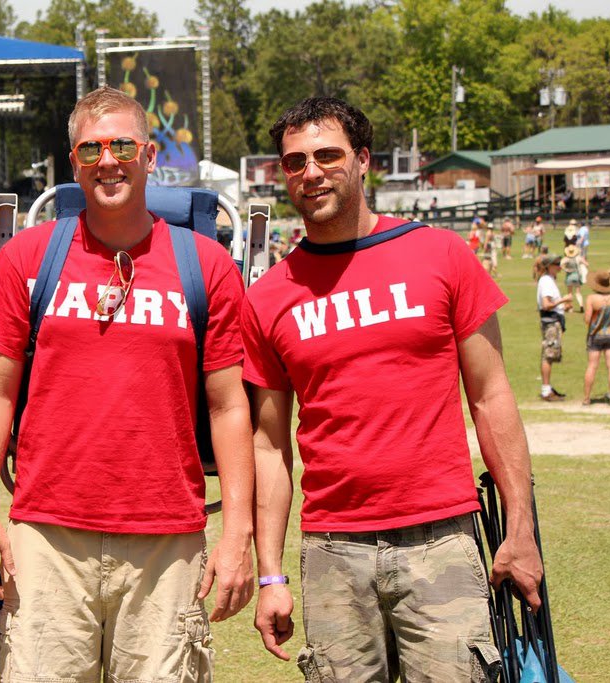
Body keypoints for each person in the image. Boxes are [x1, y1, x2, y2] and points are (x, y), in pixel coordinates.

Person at [0, 86, 254, 682]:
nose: (108, 161)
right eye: (91, 150)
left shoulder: (206, 265)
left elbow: (229, 407)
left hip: (166, 542)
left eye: (122, 146)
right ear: (74, 163)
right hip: (47, 536)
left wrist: (238, 533)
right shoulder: (28, 257)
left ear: (149, 156)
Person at [245, 97, 543, 680]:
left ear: (363, 160)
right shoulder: (268, 296)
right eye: (295, 161)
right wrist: (270, 575)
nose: (311, 172)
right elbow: (269, 446)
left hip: (442, 539)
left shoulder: (442, 255)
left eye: (328, 156)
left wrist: (521, 529)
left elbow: (491, 398)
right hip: (332, 549)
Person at [537, 253, 573, 401]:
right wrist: (563, 300)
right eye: (556, 264)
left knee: (550, 355)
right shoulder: (546, 281)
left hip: (553, 321)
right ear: (549, 266)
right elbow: (546, 305)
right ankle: (546, 390)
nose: (559, 266)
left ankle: (547, 388)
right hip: (551, 322)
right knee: (548, 356)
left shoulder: (549, 279)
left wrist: (563, 306)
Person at [583, 265, 610, 405]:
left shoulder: (591, 298)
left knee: (592, 366)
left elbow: (587, 319)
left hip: (595, 336)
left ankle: (586, 398)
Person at [561, 244, 586, 312]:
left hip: (569, 277)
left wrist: (566, 269)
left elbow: (561, 265)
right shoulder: (578, 258)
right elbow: (586, 264)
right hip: (577, 276)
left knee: (570, 293)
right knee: (578, 293)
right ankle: (581, 305)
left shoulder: (566, 259)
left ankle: (570, 308)